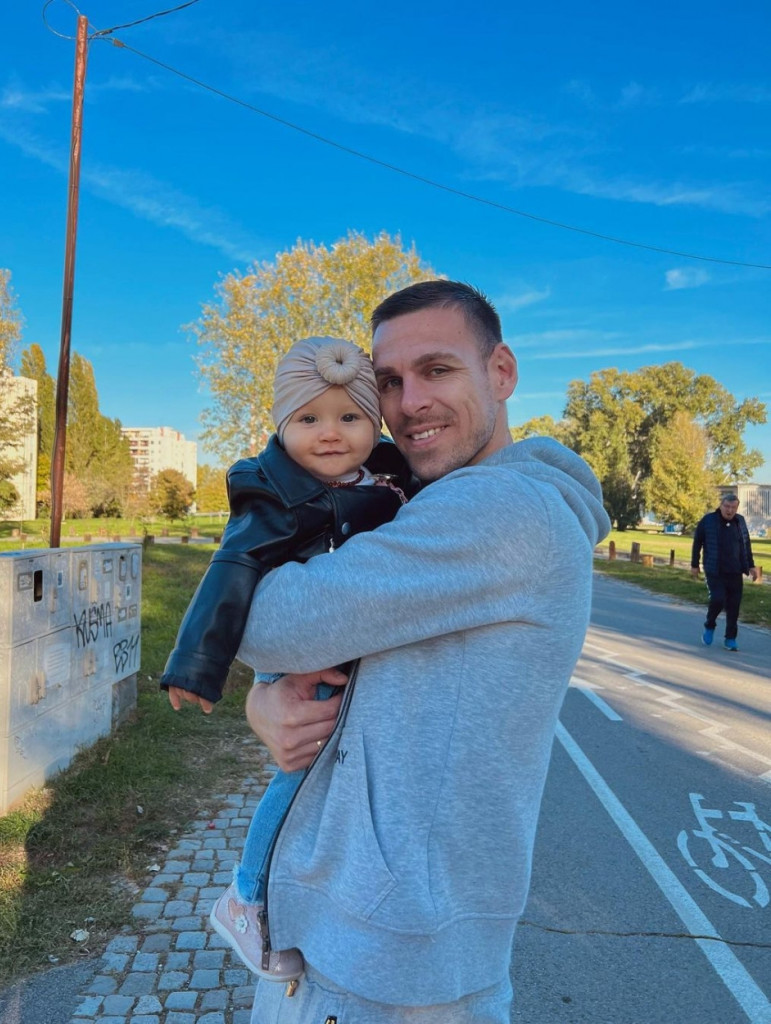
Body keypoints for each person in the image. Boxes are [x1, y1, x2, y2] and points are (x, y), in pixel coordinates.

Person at [234, 280, 611, 1022]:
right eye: (389, 381)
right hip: (365, 942)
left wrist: (260, 661)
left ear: (500, 372)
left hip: (386, 973)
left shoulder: (498, 508)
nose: (409, 404)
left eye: (437, 369)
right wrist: (264, 700)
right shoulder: (442, 502)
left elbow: (265, 621)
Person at [160, 336, 412, 980]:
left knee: (340, 777)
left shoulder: (387, 475)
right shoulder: (274, 495)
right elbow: (231, 570)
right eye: (308, 418)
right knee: (301, 776)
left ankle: (310, 893)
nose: (330, 433)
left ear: (375, 423)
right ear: (280, 425)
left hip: (348, 650)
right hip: (304, 657)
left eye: (350, 417)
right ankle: (247, 896)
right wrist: (197, 662)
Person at [691, 493, 758, 651]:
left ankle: (730, 638)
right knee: (718, 599)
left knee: (734, 606)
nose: (730, 510)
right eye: (727, 506)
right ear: (721, 506)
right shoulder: (708, 520)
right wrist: (694, 564)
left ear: (737, 508)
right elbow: (697, 542)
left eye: (733, 507)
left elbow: (746, 544)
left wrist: (751, 566)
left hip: (735, 571)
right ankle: (710, 625)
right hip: (715, 570)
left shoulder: (740, 521)